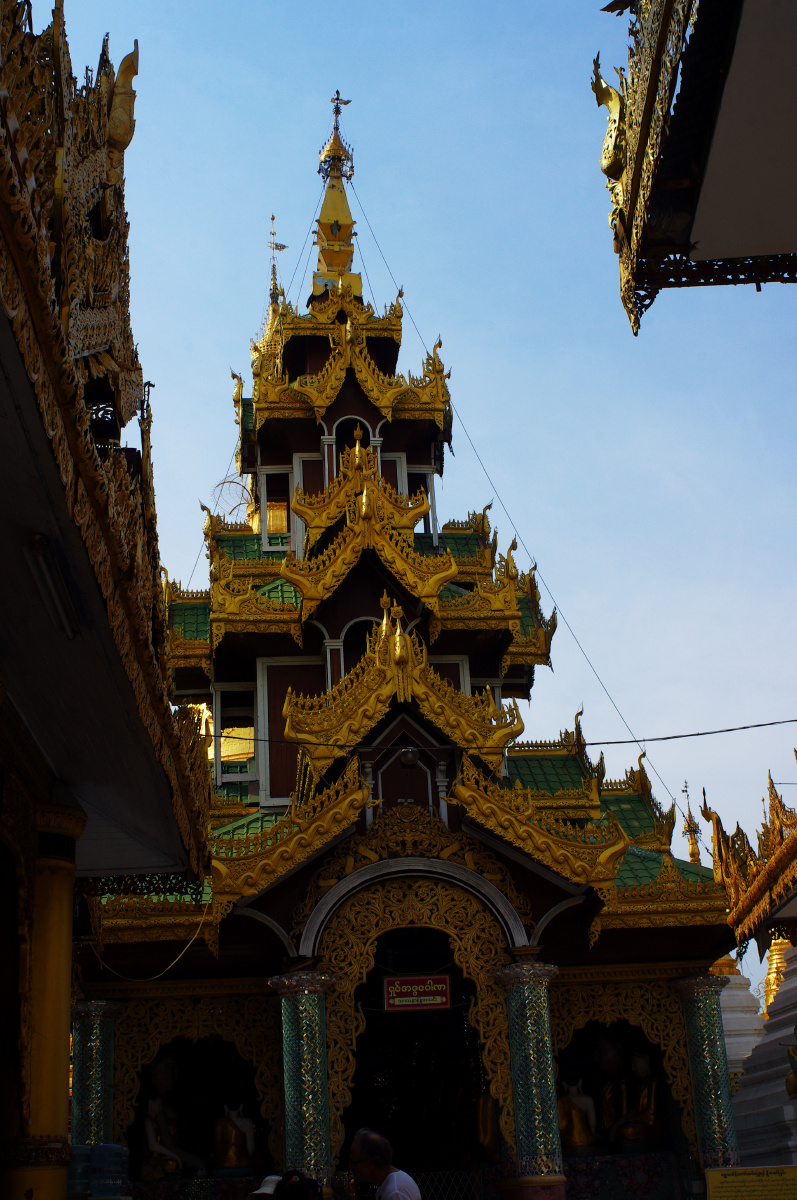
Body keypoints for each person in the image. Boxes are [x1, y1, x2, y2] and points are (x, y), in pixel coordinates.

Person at [349, 1129, 421, 1200]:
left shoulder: (394, 1192)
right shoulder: (388, 1186)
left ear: (370, 1163)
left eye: (354, 1163)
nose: (350, 1166)